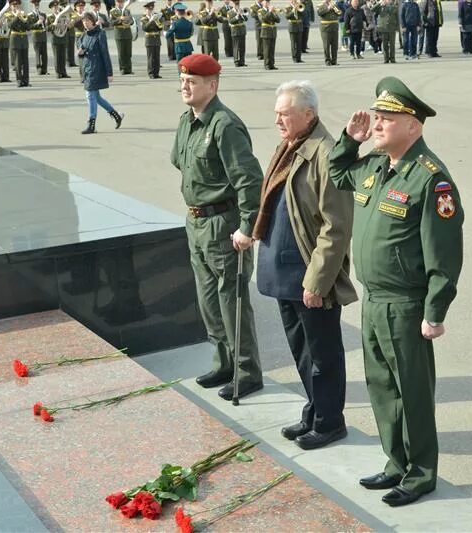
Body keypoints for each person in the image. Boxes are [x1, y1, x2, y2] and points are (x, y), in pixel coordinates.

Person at [328, 76, 464, 508]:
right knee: (382, 387)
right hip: (374, 300)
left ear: (415, 126)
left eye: (389, 118)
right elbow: (336, 172)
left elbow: (443, 254)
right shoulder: (372, 167)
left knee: (413, 391)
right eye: (378, 116)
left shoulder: (431, 180)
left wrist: (435, 309)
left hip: (407, 304)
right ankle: (395, 462)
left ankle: (421, 473)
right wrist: (350, 141)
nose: (379, 123)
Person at [254, 80, 355, 451]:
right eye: (277, 112)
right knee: (301, 349)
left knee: (323, 352)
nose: (277, 119)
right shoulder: (290, 147)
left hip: (308, 273)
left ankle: (330, 421)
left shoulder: (325, 154)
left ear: (308, 114)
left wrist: (318, 280)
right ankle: (314, 410)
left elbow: (336, 226)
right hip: (284, 270)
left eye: (285, 113)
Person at [171, 53, 265, 401]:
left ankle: (247, 372)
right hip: (196, 222)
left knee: (232, 300)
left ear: (212, 85)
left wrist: (247, 227)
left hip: (223, 225)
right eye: (182, 80)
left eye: (192, 82)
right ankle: (223, 362)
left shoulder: (225, 126)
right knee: (208, 300)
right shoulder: (187, 121)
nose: (184, 86)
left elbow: (248, 181)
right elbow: (179, 161)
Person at [78, 11, 123, 133]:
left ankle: (91, 124)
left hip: (97, 69)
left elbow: (105, 54)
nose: (85, 23)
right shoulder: (83, 35)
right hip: (87, 69)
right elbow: (80, 50)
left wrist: (109, 73)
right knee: (96, 97)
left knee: (90, 95)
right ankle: (116, 115)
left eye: (87, 21)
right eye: (83, 21)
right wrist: (80, 52)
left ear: (92, 21)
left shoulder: (100, 34)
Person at [6, 0, 31, 87]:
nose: (16, 6)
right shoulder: (8, 15)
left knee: (25, 62)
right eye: (14, 5)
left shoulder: (24, 14)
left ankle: (26, 80)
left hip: (24, 39)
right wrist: (17, 17)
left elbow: (28, 27)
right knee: (18, 62)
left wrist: (23, 19)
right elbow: (10, 25)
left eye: (17, 4)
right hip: (15, 39)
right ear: (10, 6)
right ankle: (19, 80)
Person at [46, 0, 71, 77]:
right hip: (55, 38)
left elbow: (67, 28)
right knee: (57, 56)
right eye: (54, 7)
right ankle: (58, 73)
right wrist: (54, 25)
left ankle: (64, 72)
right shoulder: (50, 17)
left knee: (63, 56)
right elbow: (47, 28)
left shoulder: (63, 15)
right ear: (51, 8)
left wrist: (67, 25)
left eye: (57, 7)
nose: (56, 8)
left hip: (63, 37)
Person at [109, 0, 134, 74]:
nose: (120, 4)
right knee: (121, 53)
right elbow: (111, 22)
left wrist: (128, 19)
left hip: (127, 33)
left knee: (128, 52)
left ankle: (129, 69)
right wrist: (120, 19)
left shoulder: (127, 10)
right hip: (119, 34)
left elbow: (132, 21)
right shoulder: (113, 11)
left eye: (121, 2)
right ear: (116, 3)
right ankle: (123, 69)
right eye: (119, 2)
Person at [140, 1, 162, 78]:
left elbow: (160, 27)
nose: (150, 11)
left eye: (151, 9)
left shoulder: (156, 17)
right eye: (149, 10)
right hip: (149, 40)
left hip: (157, 39)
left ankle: (156, 73)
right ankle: (151, 73)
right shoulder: (144, 18)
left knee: (157, 57)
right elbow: (145, 28)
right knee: (151, 57)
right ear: (146, 10)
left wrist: (157, 20)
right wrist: (151, 21)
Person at [29, 0, 49, 75]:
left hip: (43, 35)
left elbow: (46, 26)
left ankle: (45, 69)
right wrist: (37, 23)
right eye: (35, 4)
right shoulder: (30, 15)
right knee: (37, 53)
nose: (36, 5)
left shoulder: (43, 14)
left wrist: (45, 23)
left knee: (44, 54)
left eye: (37, 4)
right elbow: (30, 27)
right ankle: (39, 69)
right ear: (32, 5)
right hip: (36, 36)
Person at [317, 0, 340, 64]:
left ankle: (334, 61)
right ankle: (327, 60)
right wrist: (328, 8)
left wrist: (335, 8)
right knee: (326, 46)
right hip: (326, 28)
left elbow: (339, 13)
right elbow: (319, 13)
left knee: (335, 46)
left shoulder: (334, 4)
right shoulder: (320, 5)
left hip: (334, 28)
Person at [259, 0, 279, 69]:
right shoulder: (260, 11)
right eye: (266, 2)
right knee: (266, 49)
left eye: (268, 2)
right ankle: (267, 65)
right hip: (266, 32)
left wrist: (274, 13)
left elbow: (278, 20)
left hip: (273, 32)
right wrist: (270, 11)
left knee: (272, 49)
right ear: (262, 3)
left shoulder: (272, 11)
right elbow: (263, 19)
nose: (267, 3)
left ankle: (272, 64)